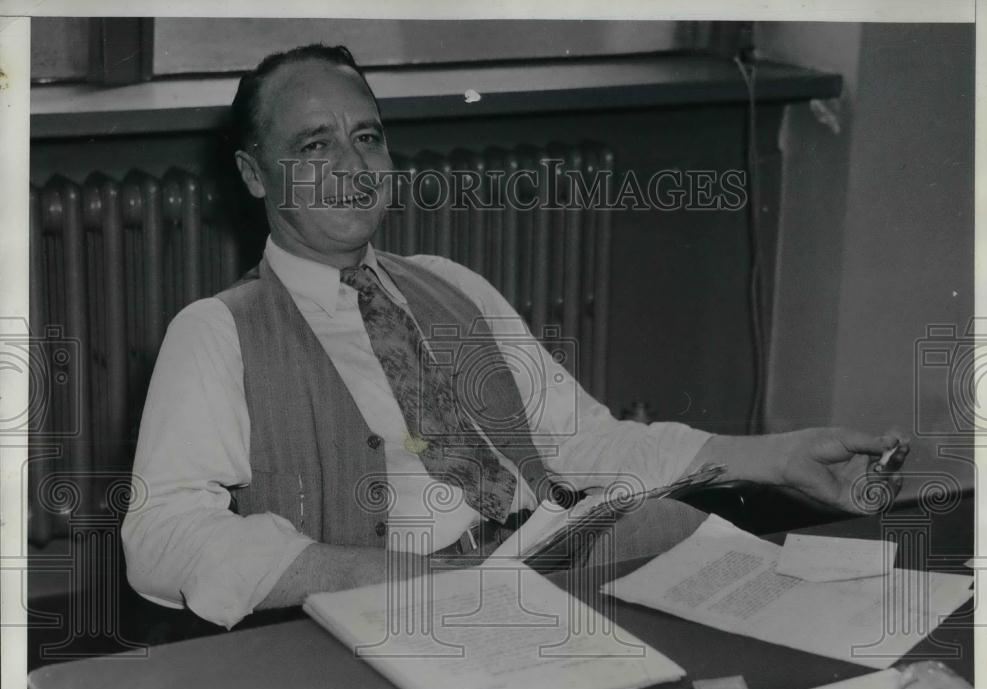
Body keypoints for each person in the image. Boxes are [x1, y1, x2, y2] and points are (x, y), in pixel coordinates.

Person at [122, 44, 909, 629]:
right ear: (255, 174)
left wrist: (777, 456)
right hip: (400, 616)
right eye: (314, 145)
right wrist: (384, 577)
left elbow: (586, 441)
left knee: (810, 614)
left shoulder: (450, 283)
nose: (353, 167)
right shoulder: (217, 332)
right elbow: (160, 537)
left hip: (549, 557)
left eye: (368, 137)